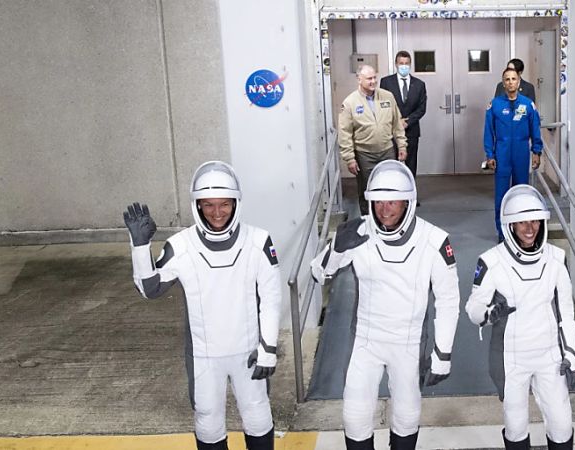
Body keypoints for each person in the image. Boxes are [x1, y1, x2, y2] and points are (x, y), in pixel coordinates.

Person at [122, 161, 282, 450]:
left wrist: (268, 349)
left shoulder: (258, 241)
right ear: (197, 205)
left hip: (249, 352)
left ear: (236, 202)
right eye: (208, 205)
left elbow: (271, 298)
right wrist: (140, 247)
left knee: (258, 415)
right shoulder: (180, 246)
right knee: (208, 421)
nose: (217, 213)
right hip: (204, 356)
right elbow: (150, 289)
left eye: (224, 204)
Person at [310, 160, 460, 450]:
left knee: (406, 418)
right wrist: (338, 248)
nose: (385, 209)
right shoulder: (357, 232)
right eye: (379, 201)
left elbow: (448, 299)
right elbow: (319, 274)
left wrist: (443, 352)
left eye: (393, 201)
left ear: (408, 202)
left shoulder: (435, 240)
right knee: (354, 418)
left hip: (408, 343)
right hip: (366, 342)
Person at [465, 184, 575, 450]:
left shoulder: (556, 258)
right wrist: (489, 313)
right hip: (512, 358)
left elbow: (565, 314)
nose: (530, 228)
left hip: (550, 356)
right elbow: (472, 309)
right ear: (510, 226)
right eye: (522, 222)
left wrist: (572, 355)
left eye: (535, 221)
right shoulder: (491, 261)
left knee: (562, 426)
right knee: (516, 428)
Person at [338, 64, 408, 215]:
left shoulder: (387, 97)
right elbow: (345, 133)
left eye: (375, 77)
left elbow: (397, 124)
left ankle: (389, 220)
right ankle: (368, 222)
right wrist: (349, 158)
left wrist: (402, 146)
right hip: (364, 155)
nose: (373, 81)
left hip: (387, 151)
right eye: (369, 78)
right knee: (368, 190)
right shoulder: (350, 103)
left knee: (390, 188)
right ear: (359, 79)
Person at [484, 68, 543, 241]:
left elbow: (535, 130)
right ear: (503, 83)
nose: (510, 82)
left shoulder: (528, 105)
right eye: (507, 79)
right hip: (502, 153)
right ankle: (502, 232)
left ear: (519, 82)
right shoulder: (494, 105)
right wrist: (490, 154)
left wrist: (536, 151)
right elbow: (488, 132)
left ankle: (520, 230)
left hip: (521, 152)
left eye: (513, 79)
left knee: (521, 194)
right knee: (501, 196)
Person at [380, 51, 427, 181]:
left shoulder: (419, 85)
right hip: (391, 131)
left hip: (411, 131)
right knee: (392, 165)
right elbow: (382, 106)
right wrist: (396, 121)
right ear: (396, 64)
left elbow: (422, 108)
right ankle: (395, 196)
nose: (404, 66)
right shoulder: (386, 82)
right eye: (401, 63)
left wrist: (408, 122)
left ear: (410, 64)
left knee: (411, 165)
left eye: (406, 63)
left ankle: (411, 196)